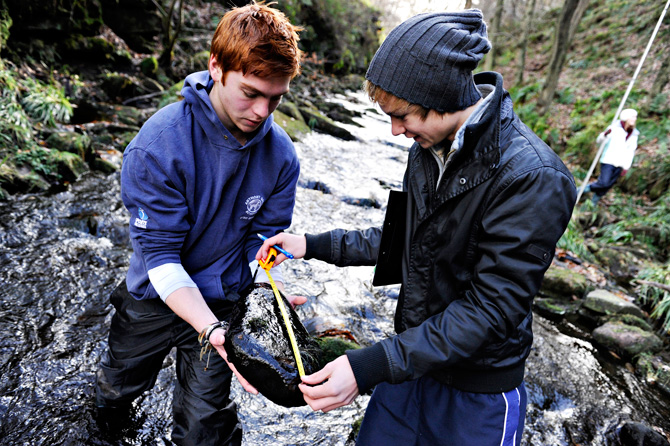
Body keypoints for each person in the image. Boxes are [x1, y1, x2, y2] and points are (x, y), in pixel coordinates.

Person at [257, 9, 576, 446]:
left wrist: (368, 366)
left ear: (441, 95)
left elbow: (491, 310)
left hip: (476, 396)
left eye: (402, 115)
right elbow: (401, 241)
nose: (394, 131)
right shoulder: (425, 152)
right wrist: (310, 245)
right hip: (407, 373)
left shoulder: (534, 177)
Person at [95, 3, 303, 445]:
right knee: (116, 394)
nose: (263, 111)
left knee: (205, 428)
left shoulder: (282, 157)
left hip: (225, 303)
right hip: (154, 295)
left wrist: (267, 293)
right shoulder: (157, 147)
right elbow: (160, 257)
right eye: (251, 93)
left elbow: (261, 245)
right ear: (216, 67)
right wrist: (207, 326)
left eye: (276, 98)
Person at [584, 108, 640, 205]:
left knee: (608, 186)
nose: (634, 119)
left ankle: (593, 203)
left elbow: (631, 151)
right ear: (626, 117)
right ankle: (583, 190)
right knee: (604, 183)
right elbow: (599, 141)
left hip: (620, 163)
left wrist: (626, 166)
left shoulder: (634, 134)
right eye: (632, 117)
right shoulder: (614, 128)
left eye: (635, 117)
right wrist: (605, 134)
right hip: (608, 160)